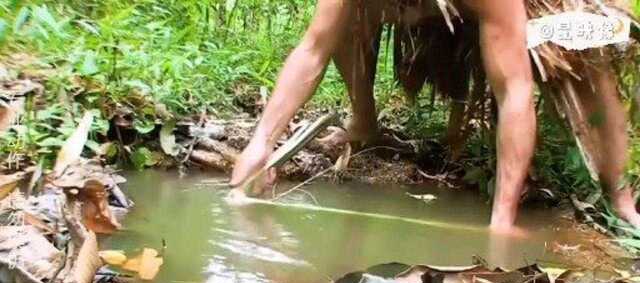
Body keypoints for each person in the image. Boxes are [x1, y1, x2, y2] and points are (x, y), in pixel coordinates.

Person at [230, 0, 640, 234]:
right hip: (408, 9)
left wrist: (502, 220)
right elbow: (313, 50)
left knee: (592, 71)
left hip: (512, 16)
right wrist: (261, 142)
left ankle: (620, 198)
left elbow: (515, 89)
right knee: (341, 29)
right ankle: (365, 121)